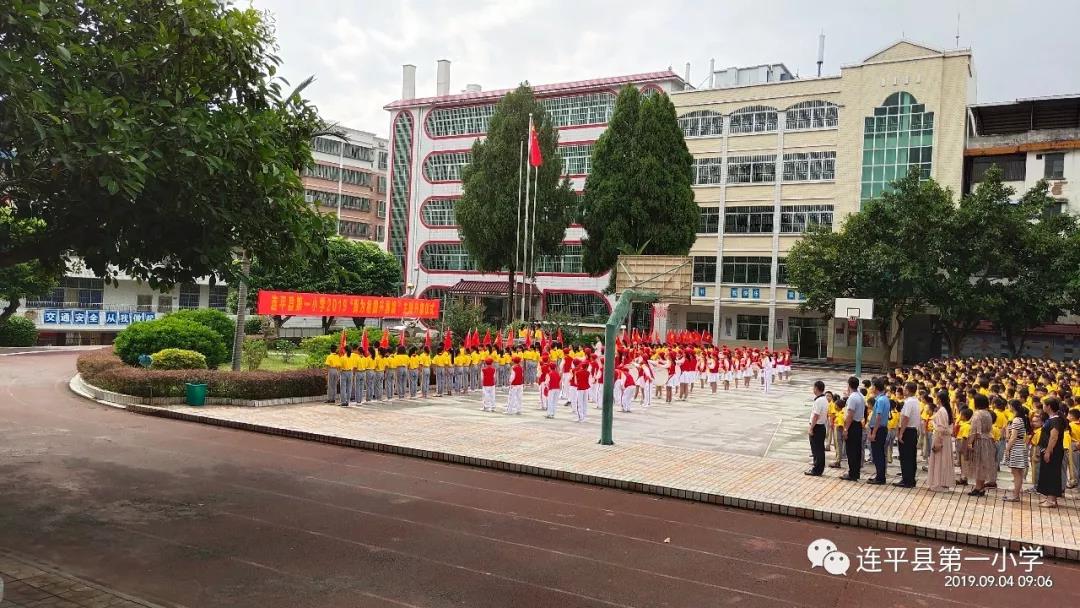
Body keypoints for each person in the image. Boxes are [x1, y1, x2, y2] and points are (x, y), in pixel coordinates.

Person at [1037, 397, 1068, 508]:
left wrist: (1048, 451)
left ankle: (1051, 500)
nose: (1043, 407)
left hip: (1053, 452)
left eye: (1044, 405)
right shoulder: (1053, 419)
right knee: (1049, 473)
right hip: (1051, 450)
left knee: (1052, 474)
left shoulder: (1055, 420)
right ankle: (1051, 498)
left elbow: (1054, 437)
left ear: (1049, 406)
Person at [967, 394, 998, 497]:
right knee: (983, 464)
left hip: (979, 441)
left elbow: (975, 431)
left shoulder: (977, 414)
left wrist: (970, 442)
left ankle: (978, 487)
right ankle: (980, 487)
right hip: (987, 440)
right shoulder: (988, 414)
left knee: (978, 464)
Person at [926, 390, 955, 492]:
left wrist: (938, 441)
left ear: (939, 399)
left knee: (940, 460)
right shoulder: (947, 409)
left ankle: (939, 483)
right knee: (943, 460)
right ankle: (941, 483)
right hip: (945, 438)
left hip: (941, 437)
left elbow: (941, 428)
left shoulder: (942, 411)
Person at [1002, 400, 1031, 501]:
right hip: (1021, 447)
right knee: (1019, 473)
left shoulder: (1016, 420)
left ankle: (1015, 495)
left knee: (1016, 473)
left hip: (1016, 447)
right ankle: (1016, 494)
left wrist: (1007, 449)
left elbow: (1013, 437)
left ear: (1012, 407)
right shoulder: (1023, 419)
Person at [895, 381, 921, 487]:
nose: (903, 390)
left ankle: (907, 480)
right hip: (913, 430)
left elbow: (906, 417)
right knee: (911, 456)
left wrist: (901, 433)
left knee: (906, 456)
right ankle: (910, 479)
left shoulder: (909, 402)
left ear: (908, 390)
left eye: (905, 388)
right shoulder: (915, 401)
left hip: (907, 430)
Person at [866, 377, 891, 485]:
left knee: (878, 454)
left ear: (875, 388)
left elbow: (879, 417)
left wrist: (874, 432)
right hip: (882, 428)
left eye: (872, 386)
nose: (871, 388)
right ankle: (879, 475)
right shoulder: (884, 398)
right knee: (879, 453)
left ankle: (880, 477)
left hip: (879, 429)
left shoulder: (880, 400)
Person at [841, 376, 866, 481]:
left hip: (853, 425)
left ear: (849, 385)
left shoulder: (852, 398)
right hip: (859, 424)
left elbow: (850, 414)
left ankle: (852, 473)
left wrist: (846, 429)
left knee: (851, 450)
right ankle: (856, 472)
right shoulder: (860, 395)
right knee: (857, 450)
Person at [806, 380, 828, 476]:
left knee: (816, 449)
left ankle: (817, 469)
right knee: (820, 449)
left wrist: (811, 428)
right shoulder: (824, 399)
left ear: (816, 388)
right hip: (821, 426)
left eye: (813, 387)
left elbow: (816, 416)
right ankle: (819, 468)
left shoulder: (819, 400)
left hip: (817, 427)